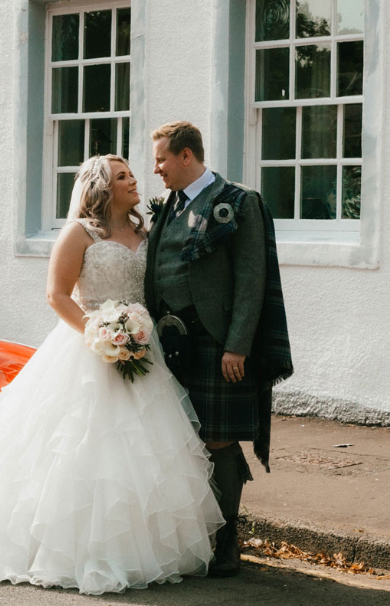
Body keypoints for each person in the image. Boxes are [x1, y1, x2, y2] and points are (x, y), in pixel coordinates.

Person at [0, 154, 224, 595]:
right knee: (77, 449)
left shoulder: (146, 231)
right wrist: (102, 336)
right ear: (103, 188)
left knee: (142, 451)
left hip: (142, 350)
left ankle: (138, 549)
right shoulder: (79, 233)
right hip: (89, 346)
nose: (134, 180)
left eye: (132, 174)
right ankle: (66, 550)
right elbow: (57, 295)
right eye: (123, 177)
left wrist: (134, 337)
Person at [146, 121, 293, 577]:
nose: (156, 170)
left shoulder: (238, 201)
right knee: (182, 439)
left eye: (161, 160)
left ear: (186, 156)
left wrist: (237, 346)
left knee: (219, 439)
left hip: (216, 342)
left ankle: (227, 540)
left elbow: (252, 279)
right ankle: (195, 536)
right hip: (170, 342)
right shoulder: (169, 205)